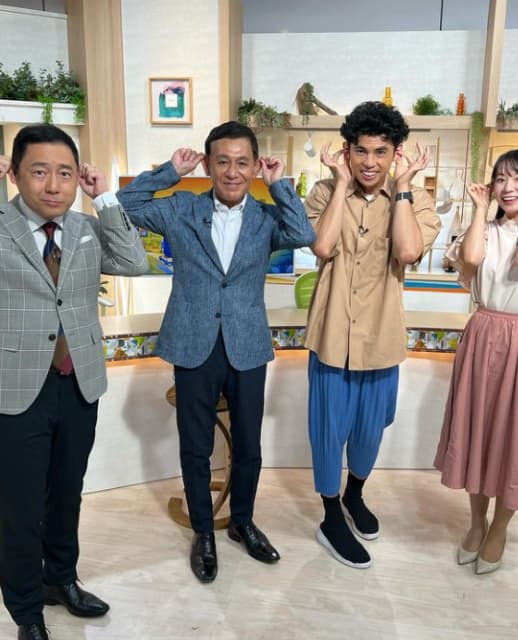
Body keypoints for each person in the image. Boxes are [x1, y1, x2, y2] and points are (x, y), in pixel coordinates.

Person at [117, 121, 315, 583]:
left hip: (247, 344)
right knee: (195, 446)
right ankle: (203, 531)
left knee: (248, 445)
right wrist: (171, 171)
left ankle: (243, 521)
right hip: (193, 342)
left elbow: (304, 233)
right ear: (207, 164)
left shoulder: (267, 216)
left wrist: (279, 184)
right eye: (222, 161)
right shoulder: (182, 207)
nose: (232, 171)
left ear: (255, 166)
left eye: (242, 162)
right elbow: (126, 203)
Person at [0, 124, 148, 640]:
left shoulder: (86, 227)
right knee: (19, 507)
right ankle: (26, 610)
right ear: (15, 173)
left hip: (78, 381)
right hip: (16, 386)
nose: (53, 185)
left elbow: (135, 261)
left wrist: (104, 197)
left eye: (65, 173)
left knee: (67, 494)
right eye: (39, 171)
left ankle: (61, 578)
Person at [304, 101, 441, 568]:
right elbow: (322, 246)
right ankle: (329, 517)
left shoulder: (416, 200)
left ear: (395, 153)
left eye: (380, 152)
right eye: (360, 151)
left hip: (381, 335)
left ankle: (354, 494)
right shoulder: (325, 192)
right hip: (331, 336)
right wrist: (341, 185)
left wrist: (402, 190)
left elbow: (407, 252)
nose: (369, 162)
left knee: (369, 429)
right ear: (347, 150)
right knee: (328, 431)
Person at [434, 148, 518, 574]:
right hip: (483, 334)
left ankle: (500, 528)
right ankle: (476, 523)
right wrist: (478, 209)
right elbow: (471, 260)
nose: (508, 187)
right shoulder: (484, 229)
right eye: (501, 178)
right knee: (479, 432)